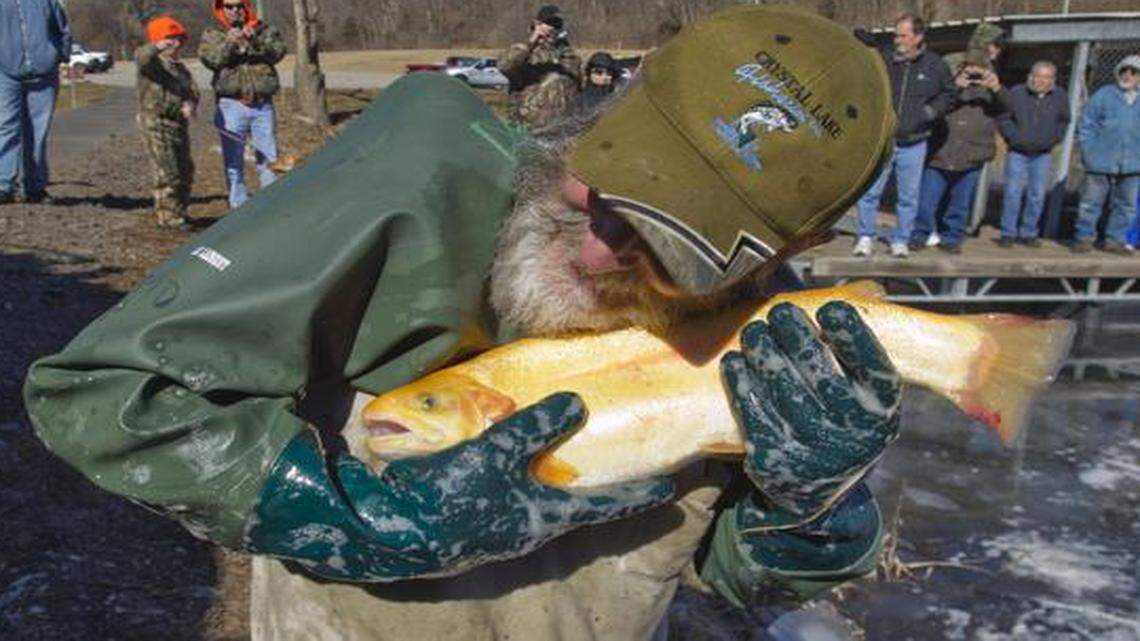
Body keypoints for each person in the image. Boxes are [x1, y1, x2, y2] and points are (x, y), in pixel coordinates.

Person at [25, 7, 899, 640]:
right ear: (620, 95)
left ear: (797, 244)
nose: (597, 257)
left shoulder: (775, 341)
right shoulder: (423, 172)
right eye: (612, 185)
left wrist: (818, 509)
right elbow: (103, 390)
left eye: (674, 248)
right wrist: (358, 518)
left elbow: (735, 575)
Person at [853, 13, 954, 258]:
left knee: (908, 196)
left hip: (915, 141)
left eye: (903, 35)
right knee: (870, 191)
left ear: (918, 37)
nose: (897, 39)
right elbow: (868, 71)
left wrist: (929, 112)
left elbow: (949, 94)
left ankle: (901, 239)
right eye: (896, 34)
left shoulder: (935, 65)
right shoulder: (887, 59)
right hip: (885, 141)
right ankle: (865, 236)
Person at [911, 50, 1007, 254]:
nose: (974, 78)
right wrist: (955, 86)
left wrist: (995, 87)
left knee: (959, 205)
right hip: (940, 154)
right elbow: (935, 106)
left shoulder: (991, 94)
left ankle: (951, 239)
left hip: (972, 156)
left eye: (978, 73)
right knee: (927, 202)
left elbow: (1008, 108)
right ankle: (919, 235)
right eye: (969, 72)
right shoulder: (948, 89)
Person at [198, 0, 286, 209]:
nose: (234, 10)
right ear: (221, 9)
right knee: (233, 161)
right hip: (231, 106)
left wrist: (254, 40)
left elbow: (278, 52)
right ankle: (239, 205)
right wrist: (229, 43)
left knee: (269, 157)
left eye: (238, 5)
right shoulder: (213, 34)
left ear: (246, 7)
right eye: (229, 6)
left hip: (262, 106)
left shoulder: (263, 29)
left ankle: (271, 204)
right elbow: (211, 60)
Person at [0, 0, 71, 205]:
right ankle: (3, 186)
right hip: (5, 73)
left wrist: (59, 55)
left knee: (38, 132)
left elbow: (62, 28)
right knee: (6, 127)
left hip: (44, 72)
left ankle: (35, 187)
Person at [135, 16, 200, 230]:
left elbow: (193, 90)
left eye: (179, 39)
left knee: (185, 170)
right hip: (156, 123)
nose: (176, 44)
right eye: (171, 39)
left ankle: (180, 211)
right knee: (167, 170)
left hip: (178, 124)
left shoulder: (180, 68)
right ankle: (168, 217)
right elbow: (142, 56)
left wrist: (190, 103)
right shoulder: (152, 65)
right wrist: (156, 45)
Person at [996, 61, 1070, 247]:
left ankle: (1029, 232)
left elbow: (1064, 120)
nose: (1041, 80)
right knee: (1013, 192)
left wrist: (1054, 139)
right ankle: (1008, 232)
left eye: (1046, 77)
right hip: (1018, 152)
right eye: (1038, 75)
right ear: (1030, 75)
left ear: (1052, 79)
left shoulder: (1060, 96)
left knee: (1037, 194)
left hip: (1043, 153)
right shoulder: (1016, 93)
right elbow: (1004, 118)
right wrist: (1014, 138)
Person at [1073, 56, 1140, 255]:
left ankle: (1115, 240)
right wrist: (1089, 151)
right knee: (1091, 202)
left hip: (1133, 163)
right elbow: (1086, 125)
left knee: (1126, 205)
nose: (1128, 75)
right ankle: (1084, 238)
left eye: (1134, 72)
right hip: (1100, 160)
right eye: (1124, 71)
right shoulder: (1104, 95)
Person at [499, 4, 581, 128]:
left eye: (557, 24)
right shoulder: (524, 49)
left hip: (559, 127)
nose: (552, 27)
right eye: (549, 22)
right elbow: (504, 66)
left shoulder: (565, 51)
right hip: (527, 125)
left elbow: (577, 81)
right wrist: (533, 41)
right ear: (537, 23)